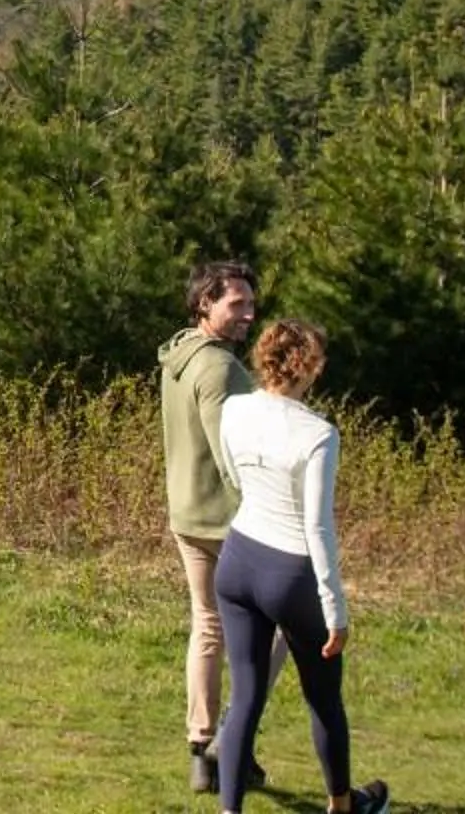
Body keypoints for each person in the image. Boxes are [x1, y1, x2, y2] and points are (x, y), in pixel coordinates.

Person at [212, 319, 388, 814]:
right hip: (288, 572)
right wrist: (336, 609)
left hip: (239, 556)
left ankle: (229, 810)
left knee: (245, 695)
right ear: (309, 365)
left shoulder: (234, 408)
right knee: (324, 698)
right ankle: (342, 804)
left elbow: (233, 471)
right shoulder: (319, 434)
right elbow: (318, 529)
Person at [159, 259, 260, 794]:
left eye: (250, 302)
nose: (249, 313)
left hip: (187, 512)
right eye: (235, 303)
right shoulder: (219, 368)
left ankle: (203, 748)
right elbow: (231, 453)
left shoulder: (179, 355)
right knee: (283, 630)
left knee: (208, 626)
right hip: (228, 521)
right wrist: (265, 509)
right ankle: (231, 735)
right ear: (205, 304)